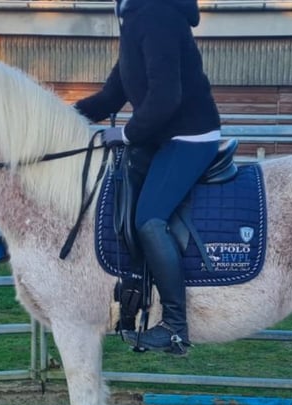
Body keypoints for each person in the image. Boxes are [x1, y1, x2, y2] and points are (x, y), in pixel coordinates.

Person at [74, 0, 221, 354]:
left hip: (190, 135)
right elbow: (113, 94)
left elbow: (166, 97)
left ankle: (175, 327)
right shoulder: (135, 17)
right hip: (160, 135)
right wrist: (61, 118)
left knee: (149, 220)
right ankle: (133, 298)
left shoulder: (158, 14)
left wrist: (126, 134)